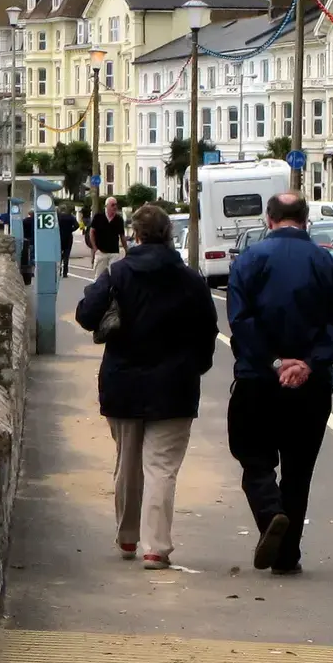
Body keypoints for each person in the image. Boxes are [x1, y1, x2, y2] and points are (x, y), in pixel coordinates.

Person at [76, 205, 218, 570]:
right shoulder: (190, 279)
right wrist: (197, 366)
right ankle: (156, 547)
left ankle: (127, 537)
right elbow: (208, 329)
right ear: (169, 234)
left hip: (123, 381)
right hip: (175, 385)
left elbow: (86, 315)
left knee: (127, 464)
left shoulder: (118, 273)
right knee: (161, 468)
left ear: (135, 236)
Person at [226, 192, 333, 575]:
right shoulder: (325, 262)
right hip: (312, 385)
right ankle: (287, 557)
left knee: (253, 458)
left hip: (257, 379)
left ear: (269, 219)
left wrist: (273, 361)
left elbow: (241, 320)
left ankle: (270, 514)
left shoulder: (249, 261)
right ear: (305, 220)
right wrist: (309, 363)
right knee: (298, 471)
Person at [87, 196, 128, 276]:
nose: (115, 207)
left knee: (113, 277)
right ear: (107, 206)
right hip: (101, 252)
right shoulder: (98, 217)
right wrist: (95, 249)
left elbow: (122, 236)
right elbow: (91, 233)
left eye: (116, 205)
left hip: (114, 253)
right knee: (99, 277)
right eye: (112, 205)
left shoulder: (119, 219)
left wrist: (126, 250)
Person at [58, 206, 80, 275]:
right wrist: (71, 230)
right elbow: (77, 225)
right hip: (68, 237)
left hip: (59, 237)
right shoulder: (70, 217)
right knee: (66, 255)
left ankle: (59, 271)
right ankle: (65, 272)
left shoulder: (58, 217)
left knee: (59, 255)